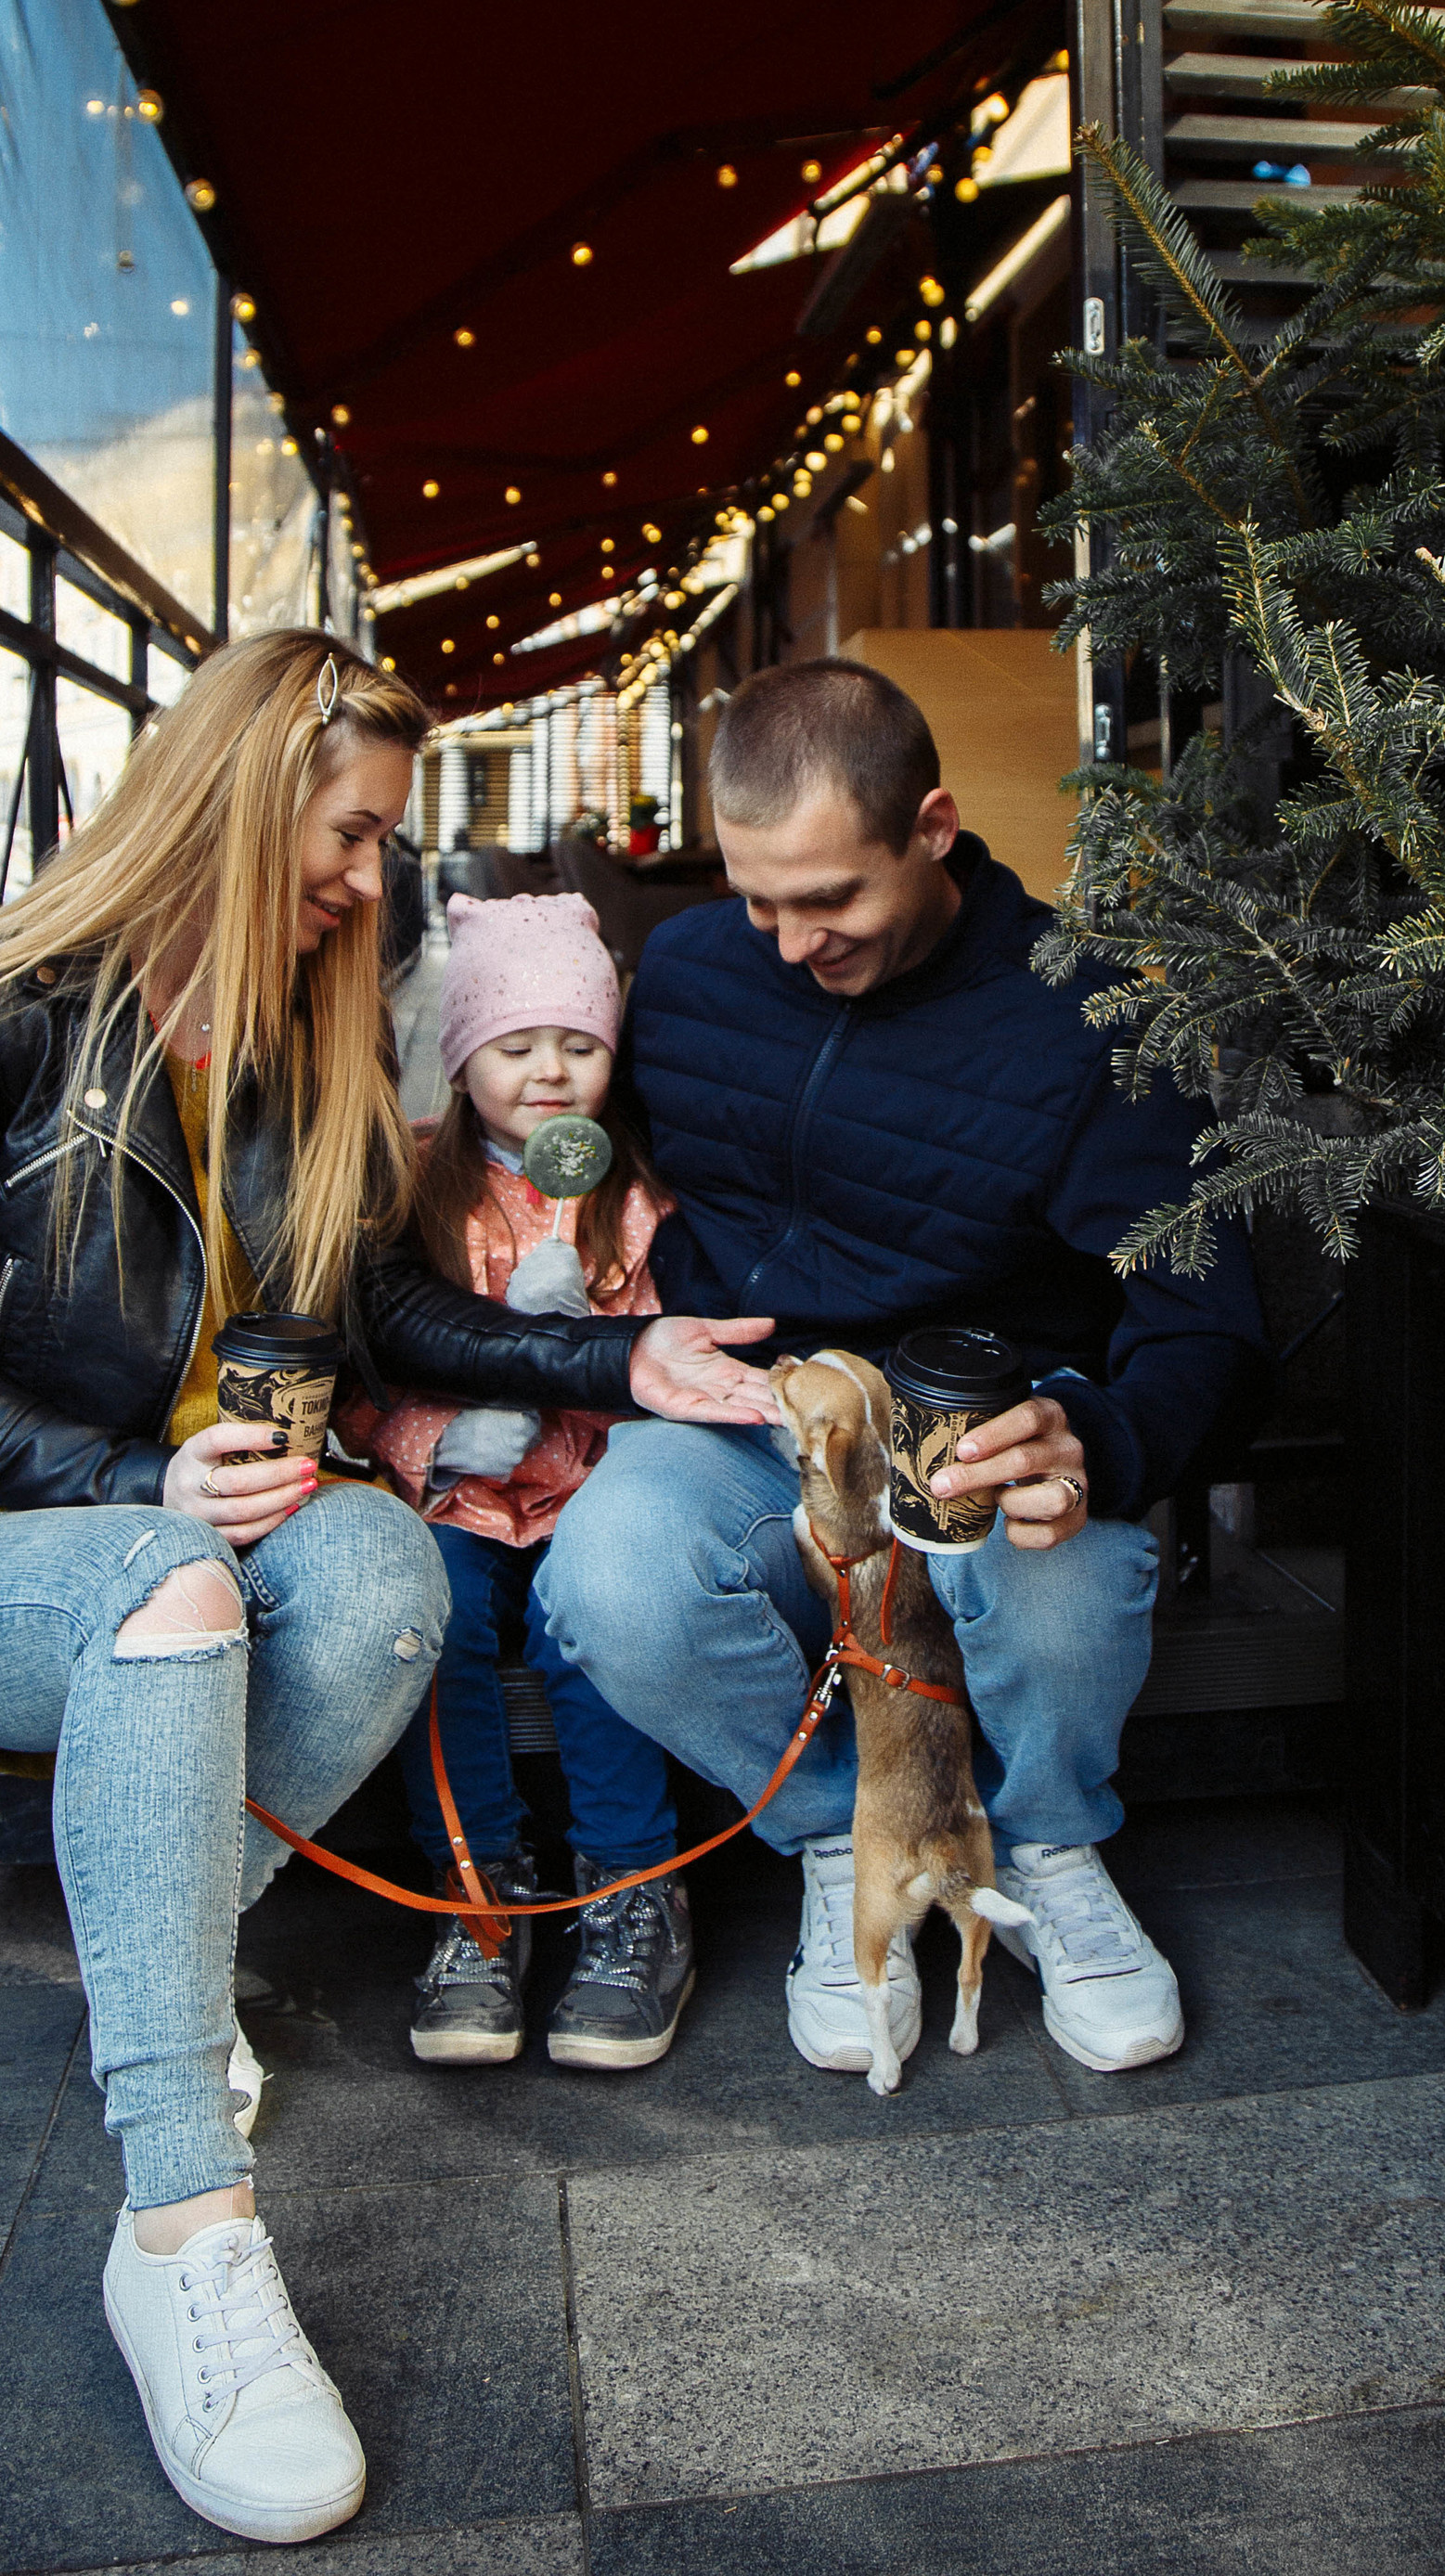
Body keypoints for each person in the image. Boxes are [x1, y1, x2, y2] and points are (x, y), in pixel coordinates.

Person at [0, 632, 773, 2550]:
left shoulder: (306, 1036)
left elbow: (387, 1317)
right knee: (174, 1590)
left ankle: (160, 1983)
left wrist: (619, 1360)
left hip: (252, 1515)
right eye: (350, 832)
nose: (370, 878)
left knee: (393, 1579)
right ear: (242, 794)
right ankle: (184, 2221)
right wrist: (125, 1480)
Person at [539, 657, 1267, 2084]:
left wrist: (1096, 1442)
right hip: (757, 1415)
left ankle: (1050, 1842)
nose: (792, 941)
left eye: (832, 900)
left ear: (932, 826)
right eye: (759, 899)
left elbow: (1211, 1326)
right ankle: (838, 1837)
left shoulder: (1091, 1020)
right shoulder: (686, 973)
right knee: (606, 1575)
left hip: (973, 1432)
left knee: (1062, 1576)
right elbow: (575, 1162)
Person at [345, 890, 694, 2073]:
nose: (550, 1074)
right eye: (515, 1046)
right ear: (462, 1058)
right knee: (432, 1615)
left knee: (585, 1628)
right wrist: (433, 1440)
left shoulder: (636, 1199)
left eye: (581, 1046)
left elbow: (666, 1364)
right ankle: (474, 1882)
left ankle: (632, 1885)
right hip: (464, 1496)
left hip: (591, 1486)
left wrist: (595, 1323)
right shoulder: (411, 1192)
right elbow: (363, 1370)